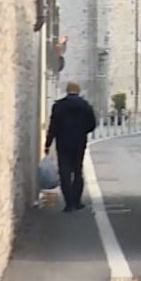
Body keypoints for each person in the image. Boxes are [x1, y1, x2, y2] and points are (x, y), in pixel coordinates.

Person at [44, 82, 98, 212]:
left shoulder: (58, 106)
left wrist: (48, 143)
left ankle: (69, 203)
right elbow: (92, 124)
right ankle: (77, 200)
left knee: (65, 172)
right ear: (78, 91)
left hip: (63, 143)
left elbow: (53, 126)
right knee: (78, 171)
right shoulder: (85, 106)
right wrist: (82, 131)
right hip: (79, 142)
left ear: (67, 91)